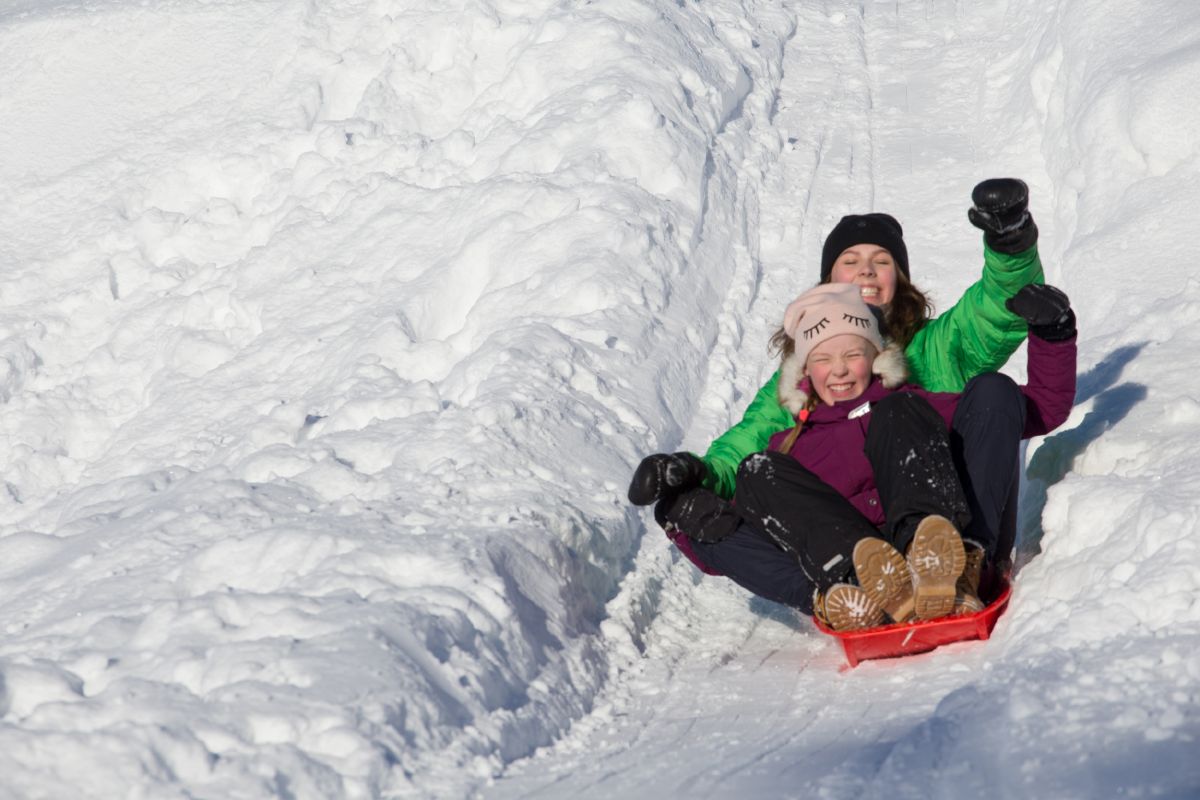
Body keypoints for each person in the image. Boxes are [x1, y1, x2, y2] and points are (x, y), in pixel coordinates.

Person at [629, 178, 1044, 581]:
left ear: (898, 279)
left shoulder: (937, 344)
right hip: (860, 542)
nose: (866, 271)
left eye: (882, 262)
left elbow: (995, 311)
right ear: (828, 283)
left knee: (984, 392)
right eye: (850, 262)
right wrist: (696, 471)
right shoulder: (809, 379)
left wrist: (1011, 246)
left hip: (951, 524)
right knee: (737, 484)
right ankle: (862, 581)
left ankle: (965, 562)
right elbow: (750, 440)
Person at [678, 280, 1076, 629]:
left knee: (988, 389)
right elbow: (738, 545)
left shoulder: (913, 406)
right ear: (803, 373)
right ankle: (860, 585)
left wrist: (1053, 335)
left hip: (955, 555)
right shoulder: (791, 450)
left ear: (877, 356)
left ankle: (946, 564)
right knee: (756, 470)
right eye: (822, 359)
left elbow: (1035, 408)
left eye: (853, 354)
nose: (839, 371)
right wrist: (679, 516)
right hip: (862, 583)